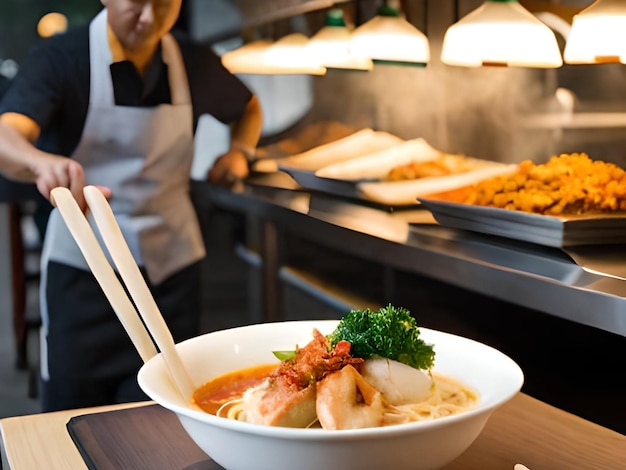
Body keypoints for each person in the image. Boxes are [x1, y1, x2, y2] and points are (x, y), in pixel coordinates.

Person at [0, 0, 263, 412]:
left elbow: (248, 108)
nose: (148, 18)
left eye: (163, 4)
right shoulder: (62, 58)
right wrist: (40, 161)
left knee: (167, 410)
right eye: (136, 3)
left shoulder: (193, 60)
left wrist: (240, 152)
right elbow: (6, 136)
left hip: (171, 270)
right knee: (75, 413)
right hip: (85, 275)